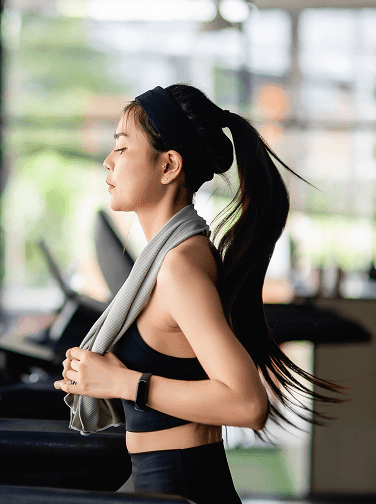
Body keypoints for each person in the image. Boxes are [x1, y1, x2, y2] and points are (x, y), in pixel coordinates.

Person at [53, 84, 345, 503]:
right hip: (171, 480)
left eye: (122, 147)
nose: (108, 160)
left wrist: (123, 382)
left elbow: (248, 403)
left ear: (169, 165)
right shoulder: (176, 256)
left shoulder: (178, 268)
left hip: (182, 484)